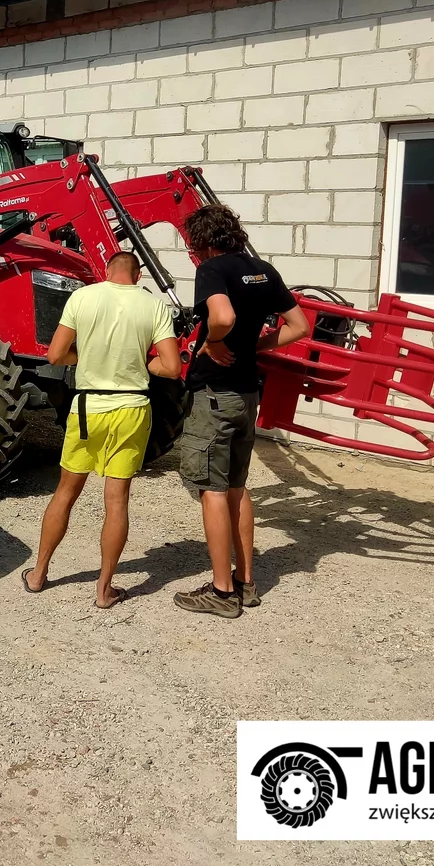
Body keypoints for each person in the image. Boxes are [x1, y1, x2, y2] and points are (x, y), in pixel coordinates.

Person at [21, 251, 182, 609]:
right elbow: (171, 367)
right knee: (117, 501)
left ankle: (38, 574)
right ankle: (104, 590)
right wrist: (141, 360)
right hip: (131, 410)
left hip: (88, 407)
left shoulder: (83, 296)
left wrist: (87, 357)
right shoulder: (153, 306)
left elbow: (55, 355)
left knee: (66, 492)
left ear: (107, 271)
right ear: (138, 276)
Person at [174, 205, 310, 619]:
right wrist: (257, 346)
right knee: (237, 485)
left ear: (203, 243)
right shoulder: (263, 269)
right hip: (249, 393)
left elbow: (223, 315)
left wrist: (216, 343)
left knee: (211, 490)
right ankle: (245, 583)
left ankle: (220, 591)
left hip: (215, 393)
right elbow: (299, 326)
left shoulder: (213, 270)